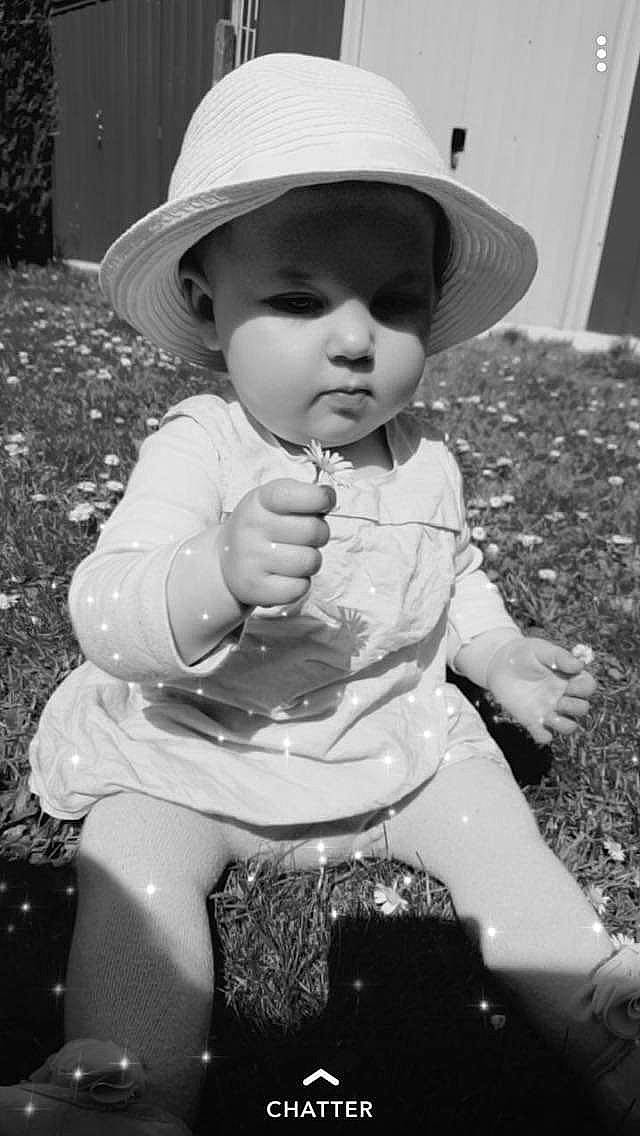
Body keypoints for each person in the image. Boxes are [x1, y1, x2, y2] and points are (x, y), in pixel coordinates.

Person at [2, 52, 639, 1136]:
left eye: (394, 303)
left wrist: (496, 657)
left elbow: (456, 573)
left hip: (393, 745)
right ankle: (126, 1085)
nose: (354, 340)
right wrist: (209, 573)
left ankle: (608, 1027)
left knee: (501, 841)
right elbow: (103, 611)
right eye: (299, 298)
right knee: (131, 861)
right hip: (201, 750)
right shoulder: (199, 447)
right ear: (208, 309)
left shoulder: (427, 456)